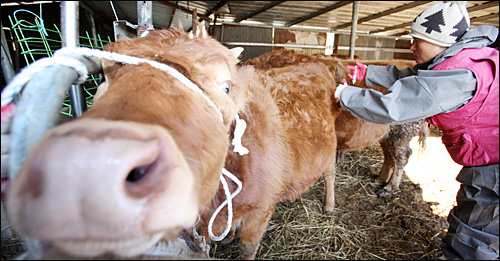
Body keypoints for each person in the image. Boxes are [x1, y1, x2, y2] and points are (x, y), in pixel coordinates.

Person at [334, 1, 499, 260]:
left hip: (494, 170)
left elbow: (393, 107)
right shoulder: (461, 59)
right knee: (466, 225)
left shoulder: (460, 75)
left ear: (441, 41)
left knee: (474, 242)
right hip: (485, 160)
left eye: (417, 40)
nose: (411, 46)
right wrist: (369, 73)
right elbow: (414, 77)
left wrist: (345, 94)